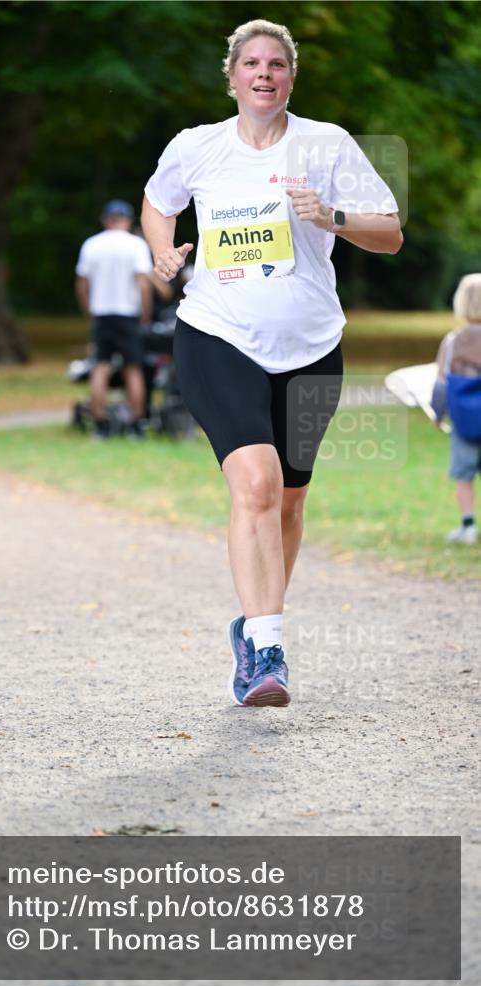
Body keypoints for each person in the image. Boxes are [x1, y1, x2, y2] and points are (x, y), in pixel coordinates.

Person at [142, 18, 403, 708]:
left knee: (288, 502)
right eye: (250, 63)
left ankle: (253, 622)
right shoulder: (195, 147)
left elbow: (391, 233)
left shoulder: (327, 145)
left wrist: (332, 215)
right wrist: (162, 254)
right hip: (216, 335)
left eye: (276, 64)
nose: (263, 73)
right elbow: (156, 204)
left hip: (312, 346)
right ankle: (266, 647)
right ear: (230, 76)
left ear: (290, 77)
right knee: (254, 483)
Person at [75, 200, 153, 439]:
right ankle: (137, 423)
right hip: (128, 313)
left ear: (105, 219)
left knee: (100, 366)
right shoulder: (136, 245)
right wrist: (146, 314)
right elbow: (143, 283)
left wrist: (90, 312)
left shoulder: (91, 244)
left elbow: (81, 285)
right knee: (133, 368)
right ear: (128, 220)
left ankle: (99, 423)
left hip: (102, 313)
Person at [431, 274, 481, 544]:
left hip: (464, 420)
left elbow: (441, 384)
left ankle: (468, 525)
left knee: (463, 475)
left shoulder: (453, 341)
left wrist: (437, 414)